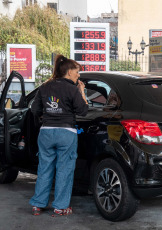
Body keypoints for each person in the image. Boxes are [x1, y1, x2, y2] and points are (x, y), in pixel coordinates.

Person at [29, 55, 89, 216]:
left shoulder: (44, 86)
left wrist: (47, 116)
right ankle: (60, 207)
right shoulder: (72, 89)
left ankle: (37, 205)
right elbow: (83, 110)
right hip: (66, 133)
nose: (78, 76)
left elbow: (34, 110)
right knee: (64, 169)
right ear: (69, 72)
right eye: (77, 72)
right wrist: (82, 92)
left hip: (46, 132)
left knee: (44, 168)